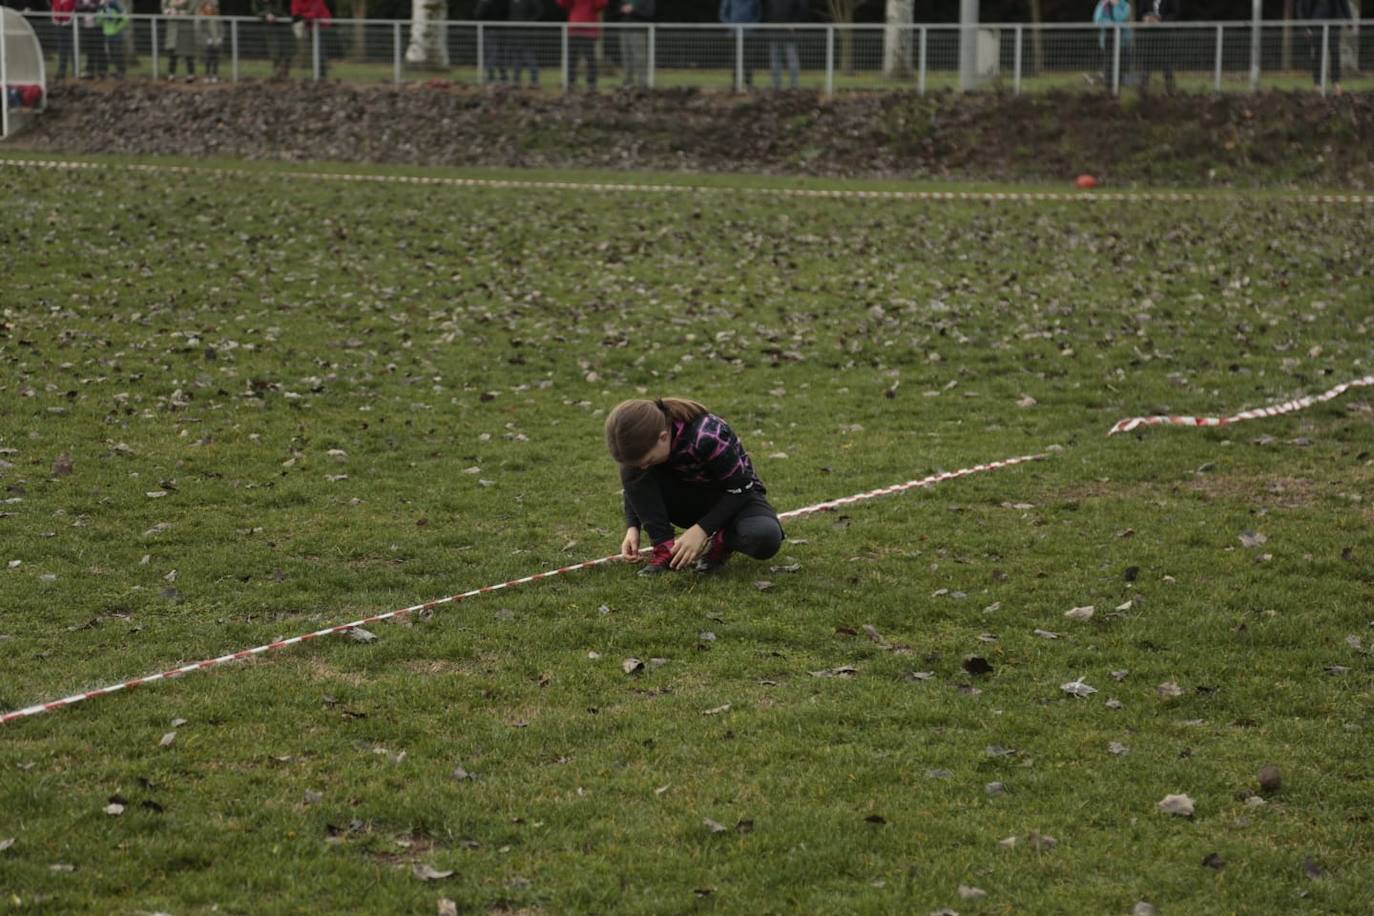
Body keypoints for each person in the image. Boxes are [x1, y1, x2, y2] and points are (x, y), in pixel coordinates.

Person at [606, 398, 784, 577]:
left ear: (663, 436)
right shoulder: (645, 443)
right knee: (633, 469)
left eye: (649, 460)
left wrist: (701, 530)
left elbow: (742, 488)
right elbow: (635, 482)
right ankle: (664, 550)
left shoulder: (708, 434)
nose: (645, 468)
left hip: (735, 497)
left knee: (765, 537)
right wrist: (633, 526)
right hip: (686, 501)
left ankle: (723, 540)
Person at [1298, 0, 1353, 93]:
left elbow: (1343, 3)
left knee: (1335, 52)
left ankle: (1336, 83)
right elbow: (1300, 7)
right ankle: (1317, 84)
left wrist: (1349, 20)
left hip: (1334, 23)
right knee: (1317, 53)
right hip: (1316, 23)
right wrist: (1305, 27)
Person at [556, 0, 605, 88]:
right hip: (576, 28)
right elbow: (563, 3)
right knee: (572, 58)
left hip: (587, 29)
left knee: (589, 58)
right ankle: (571, 82)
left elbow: (600, 5)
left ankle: (590, 83)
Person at [719, 0, 760, 90]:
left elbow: (758, 15)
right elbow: (723, 15)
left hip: (748, 35)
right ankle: (735, 84)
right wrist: (732, 26)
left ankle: (749, 84)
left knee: (749, 60)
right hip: (734, 34)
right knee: (734, 59)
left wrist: (751, 27)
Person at [1137, 0, 1177, 93]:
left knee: (1167, 64)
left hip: (1165, 35)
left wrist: (1160, 21)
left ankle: (1170, 90)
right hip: (1149, 35)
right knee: (1146, 64)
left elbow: (1174, 13)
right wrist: (1145, 18)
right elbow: (1141, 13)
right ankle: (1143, 89)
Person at [1092, 0, 1132, 91]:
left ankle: (1118, 87)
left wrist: (1116, 6)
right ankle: (1108, 88)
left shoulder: (1125, 5)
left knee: (1120, 65)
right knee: (1108, 64)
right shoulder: (1102, 4)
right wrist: (1111, 23)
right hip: (1107, 39)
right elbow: (1097, 20)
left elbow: (1120, 18)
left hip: (1122, 41)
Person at [764, 0, 803, 90]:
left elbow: (801, 10)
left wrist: (794, 23)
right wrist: (769, 25)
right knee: (775, 62)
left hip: (789, 35)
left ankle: (794, 86)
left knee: (792, 61)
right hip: (774, 33)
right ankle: (776, 86)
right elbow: (766, 11)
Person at [291, 0, 332, 78]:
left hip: (322, 26)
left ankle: (321, 75)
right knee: (313, 51)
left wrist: (302, 16)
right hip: (309, 26)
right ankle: (316, 74)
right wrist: (297, 16)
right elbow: (295, 11)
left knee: (320, 51)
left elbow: (315, 13)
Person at [254, 0, 293, 80]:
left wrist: (273, 14)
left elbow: (280, 10)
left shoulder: (278, 2)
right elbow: (256, 11)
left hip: (284, 27)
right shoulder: (256, 2)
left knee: (288, 50)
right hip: (271, 29)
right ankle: (276, 74)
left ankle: (285, 74)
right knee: (275, 51)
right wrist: (266, 15)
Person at [617, 0, 652, 88]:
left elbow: (649, 14)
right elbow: (616, 13)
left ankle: (642, 83)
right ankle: (628, 82)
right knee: (626, 58)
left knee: (640, 58)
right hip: (624, 31)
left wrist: (633, 11)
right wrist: (622, 10)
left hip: (638, 31)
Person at [506, 0, 542, 87]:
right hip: (514, 34)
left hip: (526, 35)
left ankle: (534, 81)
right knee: (516, 59)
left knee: (529, 58)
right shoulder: (511, 2)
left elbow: (539, 11)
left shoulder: (530, 2)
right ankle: (516, 81)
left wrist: (529, 22)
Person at [477, 0, 510, 84]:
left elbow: (480, 15)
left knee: (493, 53)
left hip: (490, 30)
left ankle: (491, 76)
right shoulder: (504, 2)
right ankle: (503, 76)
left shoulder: (485, 2)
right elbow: (508, 13)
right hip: (501, 30)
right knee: (501, 54)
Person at [95, 0, 128, 78]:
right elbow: (98, 21)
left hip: (117, 34)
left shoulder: (116, 5)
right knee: (111, 54)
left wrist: (117, 28)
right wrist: (101, 10)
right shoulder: (102, 8)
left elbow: (125, 19)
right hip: (107, 33)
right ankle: (117, 71)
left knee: (117, 53)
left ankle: (121, 71)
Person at [196, 0, 224, 82]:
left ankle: (215, 75)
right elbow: (201, 30)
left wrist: (220, 38)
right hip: (207, 42)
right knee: (208, 59)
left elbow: (222, 29)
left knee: (216, 59)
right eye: (207, 6)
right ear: (204, 7)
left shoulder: (217, 17)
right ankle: (207, 75)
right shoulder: (202, 18)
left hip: (217, 42)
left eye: (210, 6)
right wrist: (207, 39)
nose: (209, 7)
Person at [75, 0, 102, 78]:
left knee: (97, 50)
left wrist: (90, 6)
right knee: (87, 50)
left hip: (96, 28)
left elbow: (98, 7)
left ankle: (99, 71)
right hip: (84, 27)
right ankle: (89, 71)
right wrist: (88, 6)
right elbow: (77, 7)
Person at [51, 0, 76, 80]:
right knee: (62, 50)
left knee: (73, 49)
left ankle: (75, 71)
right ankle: (61, 72)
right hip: (59, 24)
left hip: (71, 25)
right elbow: (53, 6)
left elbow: (74, 7)